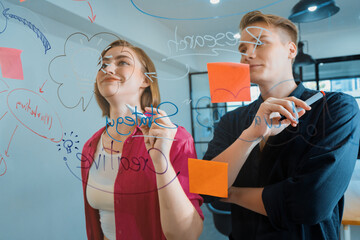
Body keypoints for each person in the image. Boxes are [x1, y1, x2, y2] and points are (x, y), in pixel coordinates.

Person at [203, 11, 360, 239]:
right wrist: (250, 136)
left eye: (259, 43)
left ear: (291, 50)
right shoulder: (232, 120)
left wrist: (232, 194)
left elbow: (311, 203)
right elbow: (205, 189)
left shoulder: (335, 108)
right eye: (242, 49)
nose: (248, 55)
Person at [81, 39, 204, 240]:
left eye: (122, 62)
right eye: (103, 64)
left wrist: (161, 160)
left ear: (146, 80)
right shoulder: (90, 146)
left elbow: (187, 235)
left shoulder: (177, 139)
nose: (108, 68)